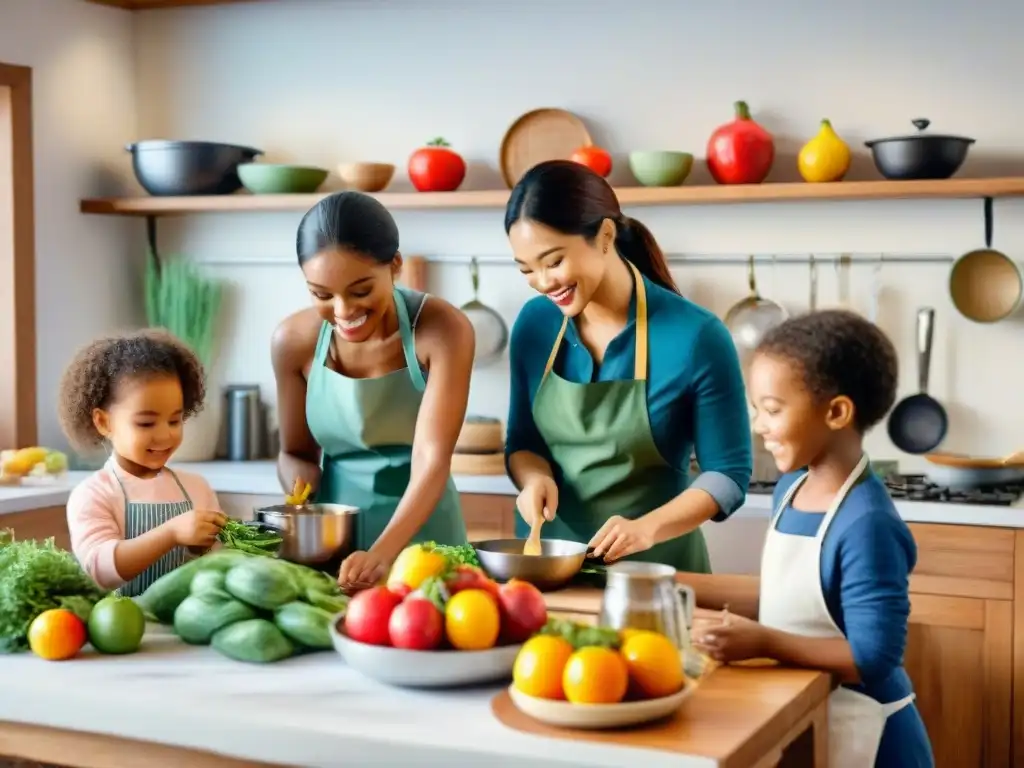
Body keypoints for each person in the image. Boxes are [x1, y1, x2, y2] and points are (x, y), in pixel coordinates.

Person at [691, 309, 934, 768]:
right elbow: (788, 595)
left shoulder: (867, 524)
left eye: (772, 410)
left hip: (871, 735)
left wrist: (765, 642)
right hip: (812, 716)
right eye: (757, 410)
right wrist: (665, 582)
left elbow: (872, 658)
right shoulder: (792, 488)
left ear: (837, 412)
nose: (759, 425)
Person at [504, 160, 752, 571]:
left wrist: (646, 529)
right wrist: (534, 479)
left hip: (655, 572)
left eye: (554, 262)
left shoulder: (697, 336)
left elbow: (727, 474)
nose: (544, 283)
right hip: (548, 569)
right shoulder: (535, 324)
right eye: (527, 270)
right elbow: (522, 442)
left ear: (605, 236)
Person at [273, 191, 474, 589]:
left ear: (395, 265)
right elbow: (294, 453)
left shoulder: (443, 330)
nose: (343, 311)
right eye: (322, 295)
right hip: (335, 550)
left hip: (426, 547)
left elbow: (432, 460)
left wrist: (381, 554)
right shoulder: (292, 342)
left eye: (361, 290)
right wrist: (299, 494)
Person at [61, 329, 227, 596]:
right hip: (120, 620)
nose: (164, 435)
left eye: (174, 420)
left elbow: (219, 564)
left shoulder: (197, 488)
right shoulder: (93, 494)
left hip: (182, 619)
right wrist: (171, 533)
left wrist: (205, 547)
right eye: (146, 423)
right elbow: (99, 570)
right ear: (104, 422)